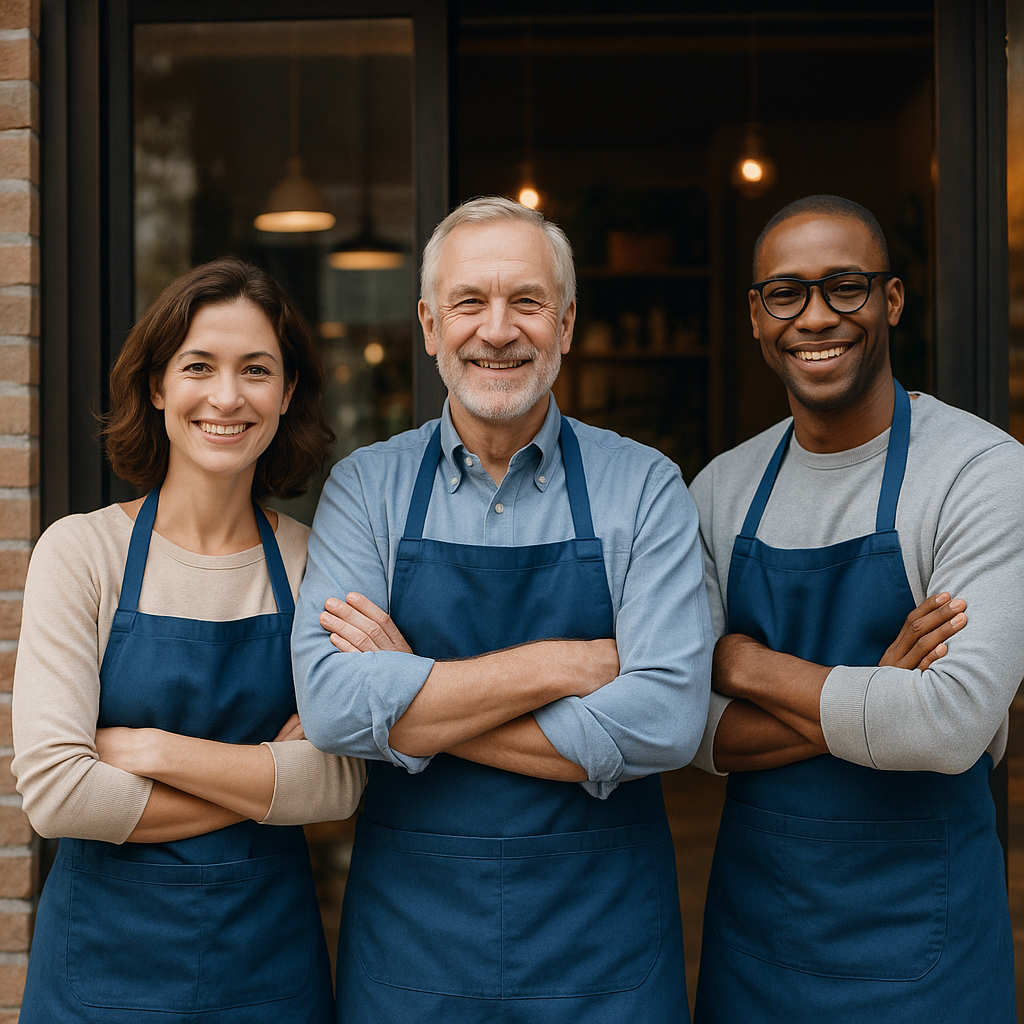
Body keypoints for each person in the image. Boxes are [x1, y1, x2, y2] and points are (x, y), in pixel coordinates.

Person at [290, 196, 713, 1023]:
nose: (497, 330)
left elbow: (667, 721)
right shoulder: (366, 488)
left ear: (566, 323)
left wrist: (412, 700)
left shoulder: (645, 486)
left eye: (527, 301)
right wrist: (561, 664)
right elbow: (333, 708)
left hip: (604, 948)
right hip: (414, 947)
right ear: (429, 325)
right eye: (468, 302)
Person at [688, 195, 1024, 1023]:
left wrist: (744, 665)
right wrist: (880, 688)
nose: (815, 317)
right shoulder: (720, 490)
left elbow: (948, 727)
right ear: (756, 317)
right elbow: (686, 730)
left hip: (928, 946)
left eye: (845, 286)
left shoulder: (980, 473)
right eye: (785, 294)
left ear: (891, 299)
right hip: (758, 940)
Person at [12, 257, 366, 1023]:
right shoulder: (82, 554)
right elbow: (58, 794)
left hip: (267, 975)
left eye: (257, 370)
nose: (227, 397)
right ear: (156, 386)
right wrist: (269, 780)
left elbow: (340, 783)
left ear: (288, 392)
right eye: (199, 366)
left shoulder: (315, 563)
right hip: (97, 980)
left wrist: (152, 750)